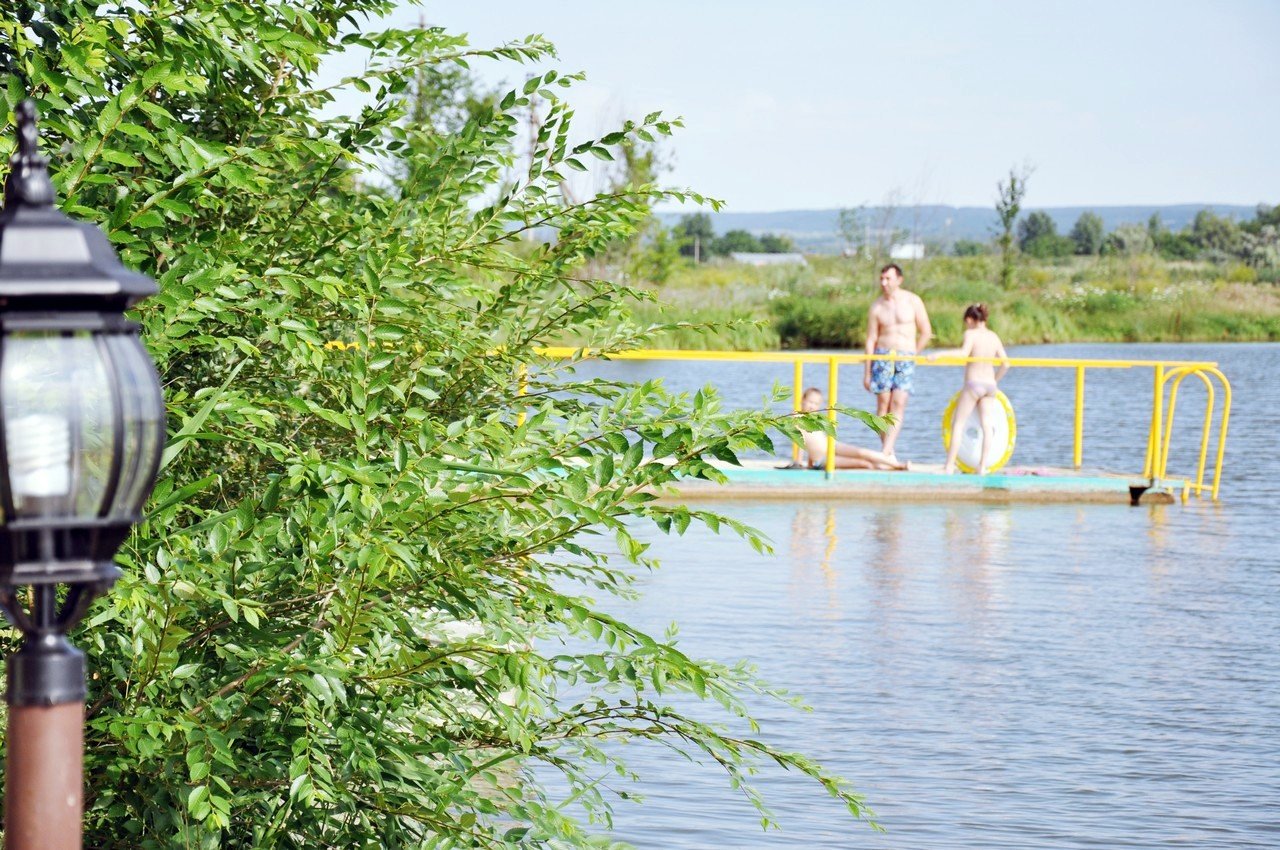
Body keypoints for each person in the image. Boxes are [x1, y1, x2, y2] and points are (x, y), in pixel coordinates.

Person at [927, 303, 1011, 475]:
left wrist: (940, 354)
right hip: (990, 385)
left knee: (958, 424)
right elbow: (1006, 364)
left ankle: (949, 465)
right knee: (987, 426)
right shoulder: (994, 336)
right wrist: (995, 380)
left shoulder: (971, 334)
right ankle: (982, 466)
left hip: (973, 383)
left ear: (969, 320)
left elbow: (964, 353)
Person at [863, 263, 931, 460]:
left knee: (899, 403)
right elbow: (871, 339)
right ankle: (888, 450)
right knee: (883, 405)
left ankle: (885, 452)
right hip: (883, 356)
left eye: (888, 279)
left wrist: (914, 354)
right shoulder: (877, 306)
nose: (884, 283)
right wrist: (867, 371)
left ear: (899, 280)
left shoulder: (913, 301)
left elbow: (926, 331)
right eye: (882, 279)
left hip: (905, 356)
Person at [799, 387, 908, 470]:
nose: (812, 406)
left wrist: (809, 462)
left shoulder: (816, 418)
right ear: (802, 400)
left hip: (833, 447)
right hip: (823, 459)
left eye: (816, 403)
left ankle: (893, 462)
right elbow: (800, 440)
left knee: (862, 453)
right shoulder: (796, 418)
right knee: (863, 464)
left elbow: (814, 441)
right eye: (810, 402)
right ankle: (890, 466)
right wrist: (799, 462)